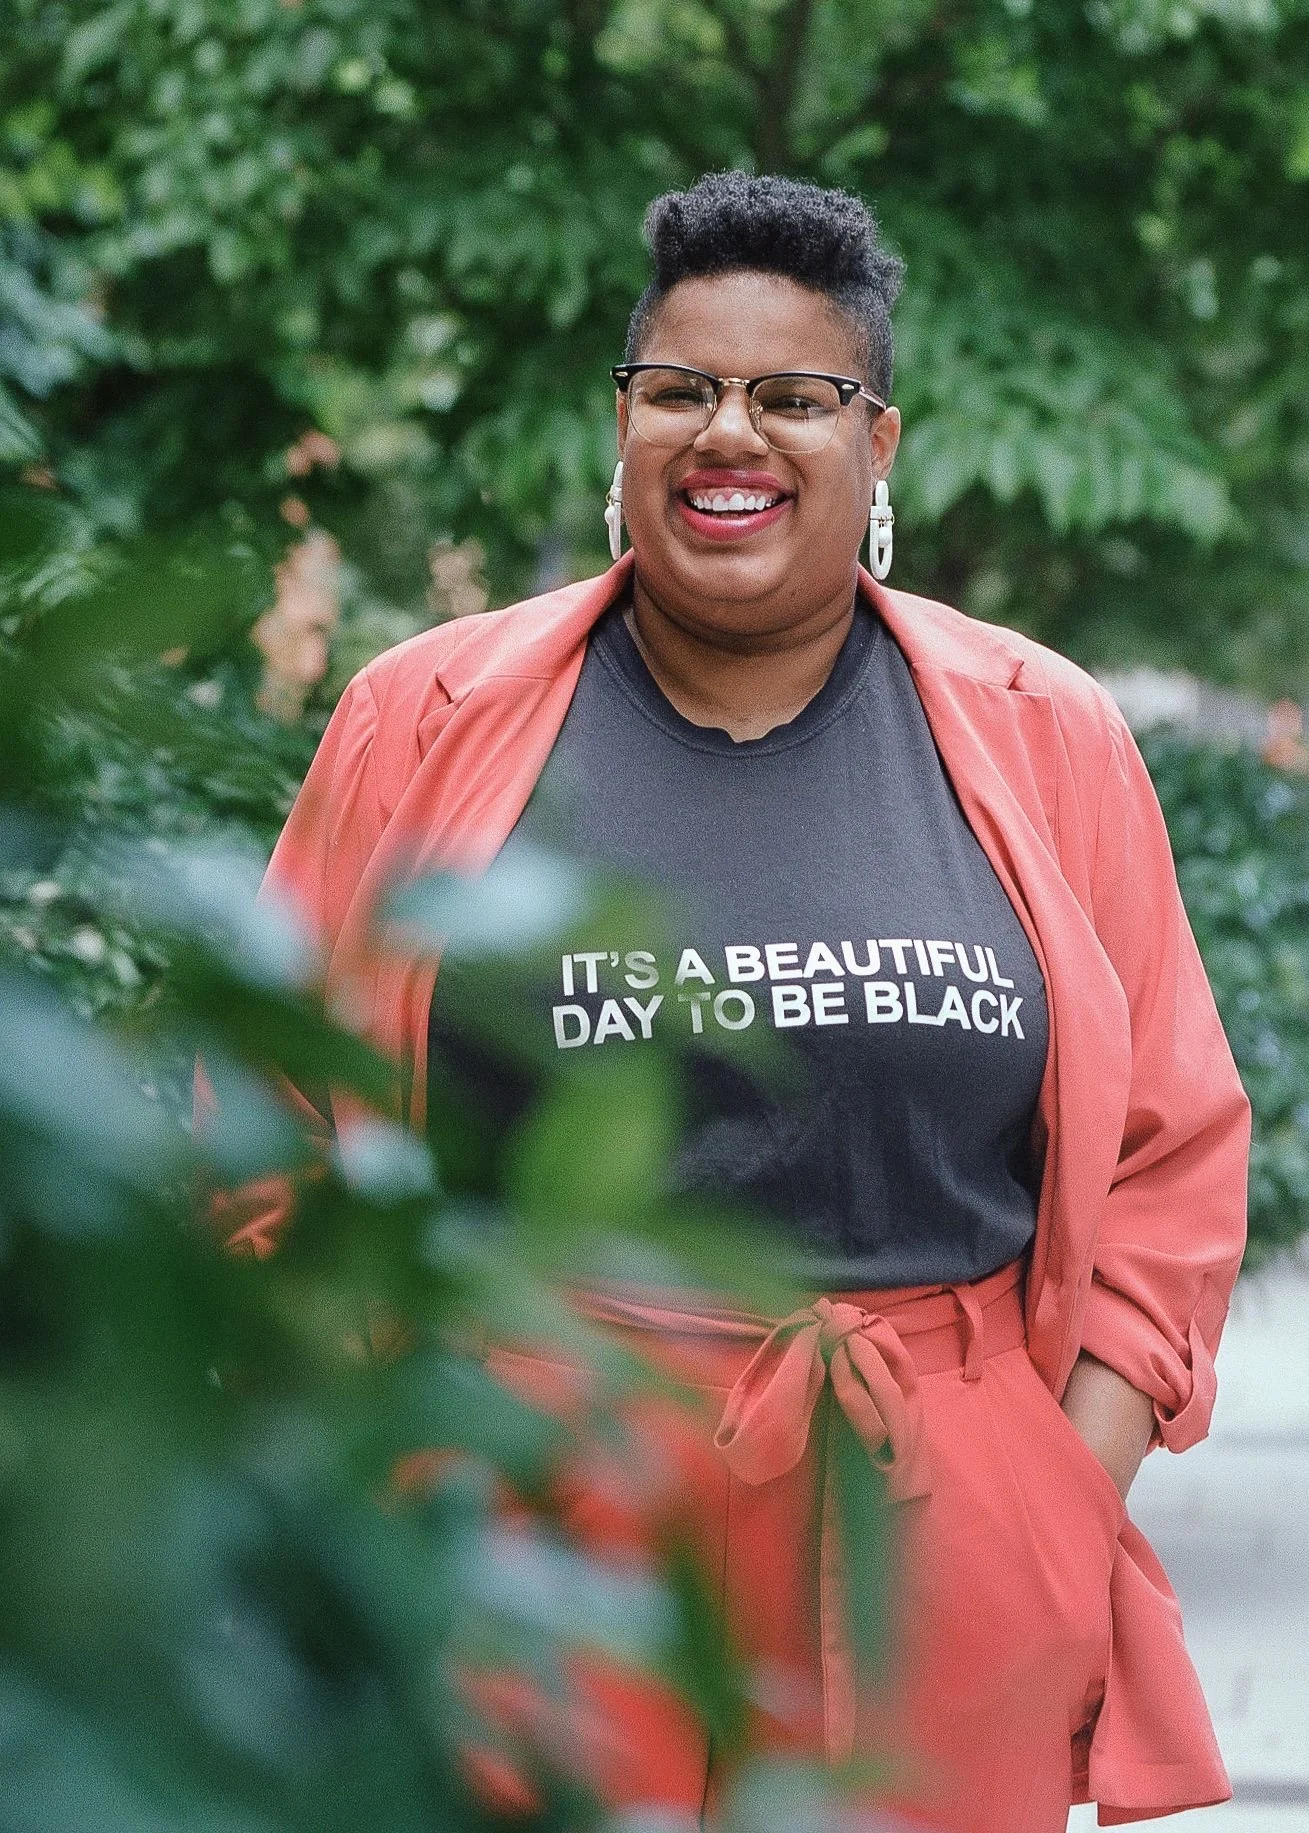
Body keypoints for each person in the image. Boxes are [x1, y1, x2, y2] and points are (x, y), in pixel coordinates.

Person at [228, 174, 1250, 1831]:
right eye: (682, 389)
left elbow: (1171, 1155)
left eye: (795, 397)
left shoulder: (1043, 735)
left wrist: (1065, 1486)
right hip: (528, 1521)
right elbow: (268, 1098)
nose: (732, 435)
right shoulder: (421, 721)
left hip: (931, 1520)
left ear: (880, 444)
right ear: (620, 427)